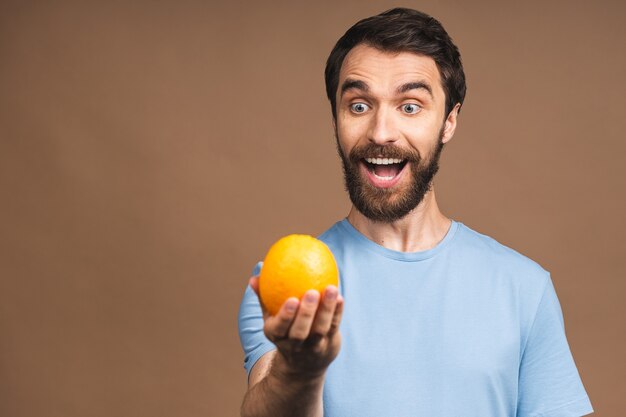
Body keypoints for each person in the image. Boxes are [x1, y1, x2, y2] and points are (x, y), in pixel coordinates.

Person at [238, 7, 593, 417]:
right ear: (334, 118)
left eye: (410, 107)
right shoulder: (287, 286)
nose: (381, 132)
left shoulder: (524, 289)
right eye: (358, 106)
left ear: (449, 121)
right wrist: (300, 371)